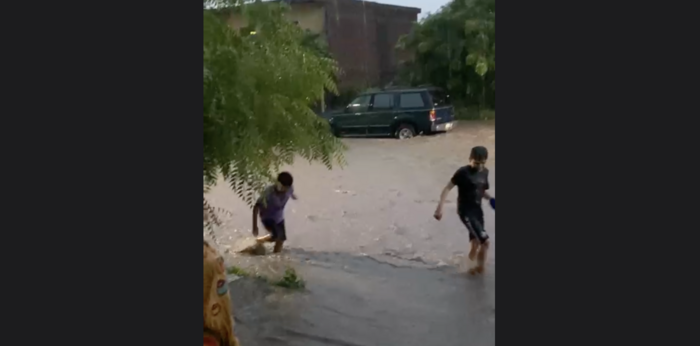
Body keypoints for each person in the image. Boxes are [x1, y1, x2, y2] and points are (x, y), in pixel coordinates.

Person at [434, 146, 493, 275]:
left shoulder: (485, 172)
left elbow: (481, 190)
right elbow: (447, 188)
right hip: (465, 211)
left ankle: (466, 269)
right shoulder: (463, 172)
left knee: (476, 244)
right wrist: (440, 208)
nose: (479, 166)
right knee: (485, 242)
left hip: (478, 211)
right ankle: (480, 270)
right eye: (476, 163)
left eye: (482, 163)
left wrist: (491, 200)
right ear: (470, 159)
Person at [252, 172, 297, 253]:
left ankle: (276, 259)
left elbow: (290, 192)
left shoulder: (290, 189)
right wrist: (254, 226)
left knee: (281, 240)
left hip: (279, 217)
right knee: (277, 237)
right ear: (278, 184)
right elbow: (256, 207)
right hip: (267, 217)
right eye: (283, 187)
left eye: (286, 188)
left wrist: (293, 196)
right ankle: (258, 242)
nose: (284, 190)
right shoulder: (268, 193)